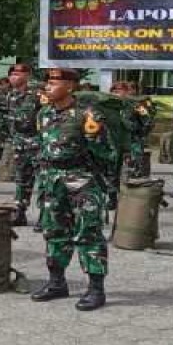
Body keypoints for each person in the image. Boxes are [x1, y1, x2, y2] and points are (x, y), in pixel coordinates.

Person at [29, 68, 117, 311]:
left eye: (55, 81)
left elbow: (106, 152)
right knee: (54, 230)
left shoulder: (88, 115)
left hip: (81, 180)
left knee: (88, 233)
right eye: (48, 81)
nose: (48, 85)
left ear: (70, 86)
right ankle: (57, 282)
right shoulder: (44, 113)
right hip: (51, 179)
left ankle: (96, 288)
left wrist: (97, 180)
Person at [3, 63, 41, 228]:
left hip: (38, 143)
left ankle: (47, 216)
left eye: (18, 73)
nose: (13, 76)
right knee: (22, 179)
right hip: (20, 143)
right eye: (11, 73)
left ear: (28, 75)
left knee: (45, 181)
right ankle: (19, 212)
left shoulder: (39, 94)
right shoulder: (11, 95)